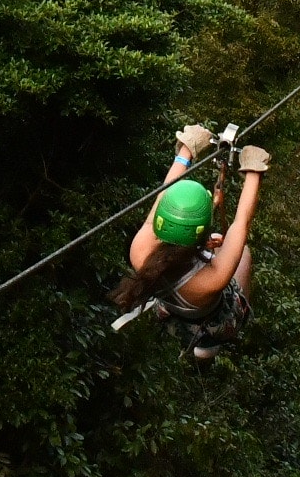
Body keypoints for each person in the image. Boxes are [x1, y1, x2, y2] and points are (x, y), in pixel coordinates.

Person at [110, 122, 267, 361]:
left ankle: (199, 348)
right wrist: (254, 171)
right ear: (200, 234)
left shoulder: (140, 249)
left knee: (219, 245)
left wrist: (187, 151)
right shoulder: (210, 281)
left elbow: (164, 194)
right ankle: (207, 347)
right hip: (216, 321)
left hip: (171, 313)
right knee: (241, 252)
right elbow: (240, 224)